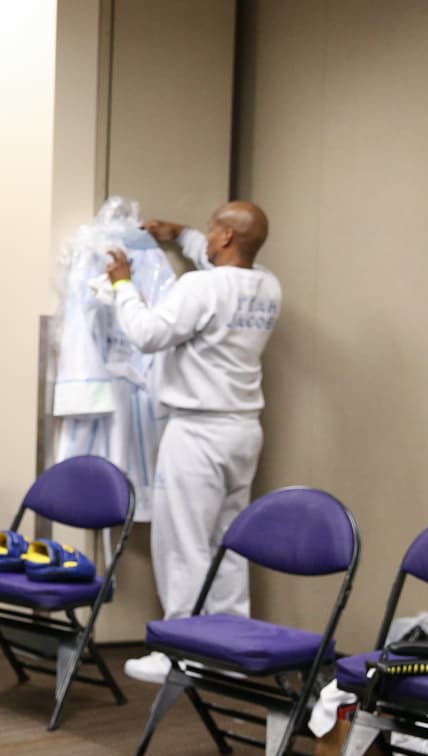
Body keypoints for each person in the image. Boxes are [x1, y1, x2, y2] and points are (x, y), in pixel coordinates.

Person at [105, 201, 281, 684]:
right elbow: (220, 271)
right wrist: (181, 233)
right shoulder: (267, 285)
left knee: (182, 541)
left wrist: (123, 281)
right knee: (228, 540)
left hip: (198, 431)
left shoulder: (199, 287)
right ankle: (230, 646)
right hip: (244, 429)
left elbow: (146, 333)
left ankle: (179, 649)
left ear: (225, 237)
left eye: (211, 229)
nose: (205, 236)